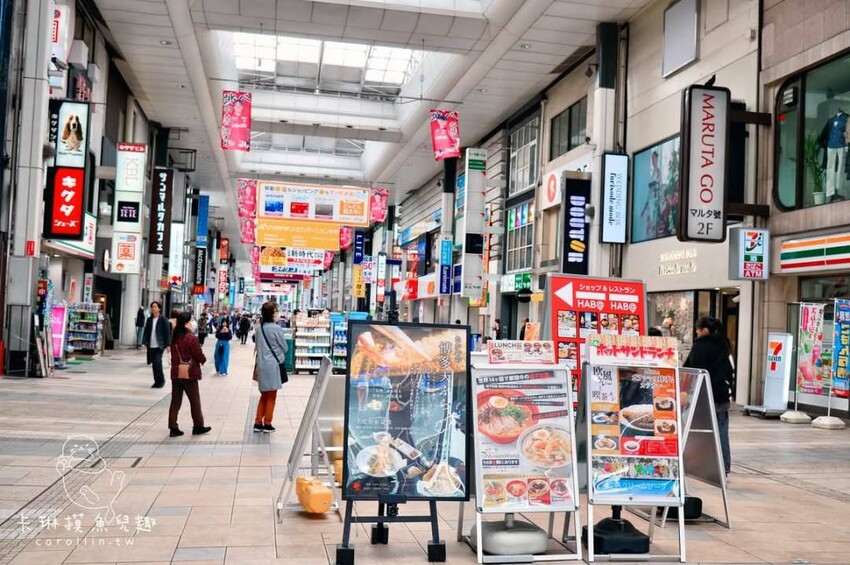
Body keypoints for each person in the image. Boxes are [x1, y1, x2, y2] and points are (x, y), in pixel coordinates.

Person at [684, 316, 733, 475]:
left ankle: (697, 464)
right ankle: (724, 466)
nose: (696, 332)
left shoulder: (700, 346)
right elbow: (728, 371)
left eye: (697, 329)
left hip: (704, 396)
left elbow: (690, 369)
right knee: (721, 432)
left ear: (704, 330)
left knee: (697, 431)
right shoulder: (723, 344)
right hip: (721, 396)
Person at [168, 312, 210, 437]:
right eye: (191, 321)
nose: (193, 323)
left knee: (175, 401)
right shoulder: (191, 338)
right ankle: (198, 425)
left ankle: (173, 427)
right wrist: (203, 360)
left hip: (176, 372)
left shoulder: (175, 336)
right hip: (189, 373)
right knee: (194, 401)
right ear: (187, 323)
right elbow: (198, 353)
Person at [254, 302, 288, 433]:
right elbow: (284, 347)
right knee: (272, 395)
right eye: (276, 311)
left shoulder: (259, 329)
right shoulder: (276, 329)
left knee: (264, 395)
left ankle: (258, 422)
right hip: (273, 365)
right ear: (272, 314)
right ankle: (267, 423)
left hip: (261, 365)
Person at [142, 301, 171, 388]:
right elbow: (146, 332)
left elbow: (167, 333)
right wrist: (143, 342)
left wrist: (168, 345)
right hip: (151, 345)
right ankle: (156, 381)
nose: (153, 308)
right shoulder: (149, 320)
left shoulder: (163, 320)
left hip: (160, 345)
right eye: (152, 307)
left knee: (157, 362)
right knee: (154, 364)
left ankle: (161, 381)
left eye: (155, 306)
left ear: (159, 309)